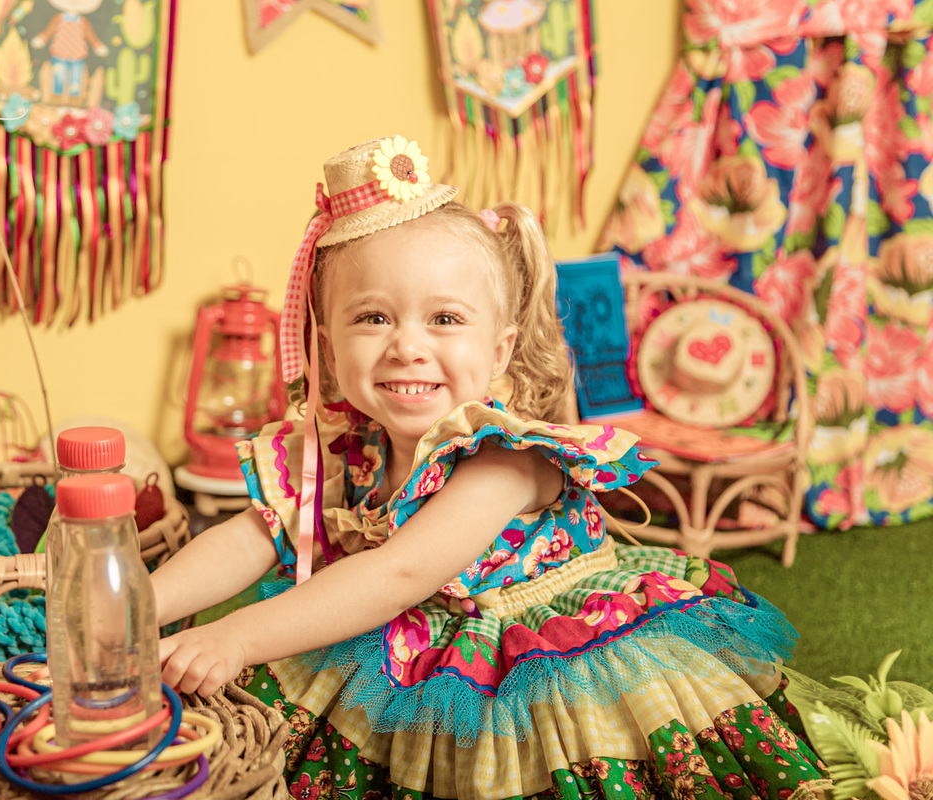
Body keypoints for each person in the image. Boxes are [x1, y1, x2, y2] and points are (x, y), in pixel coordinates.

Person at [150, 135, 826, 800]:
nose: (408, 346)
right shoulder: (348, 446)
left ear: (500, 351)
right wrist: (138, 607)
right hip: (413, 646)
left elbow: (399, 573)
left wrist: (236, 634)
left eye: (445, 319)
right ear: (326, 343)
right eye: (373, 317)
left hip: (539, 665)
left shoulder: (505, 459)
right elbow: (253, 531)